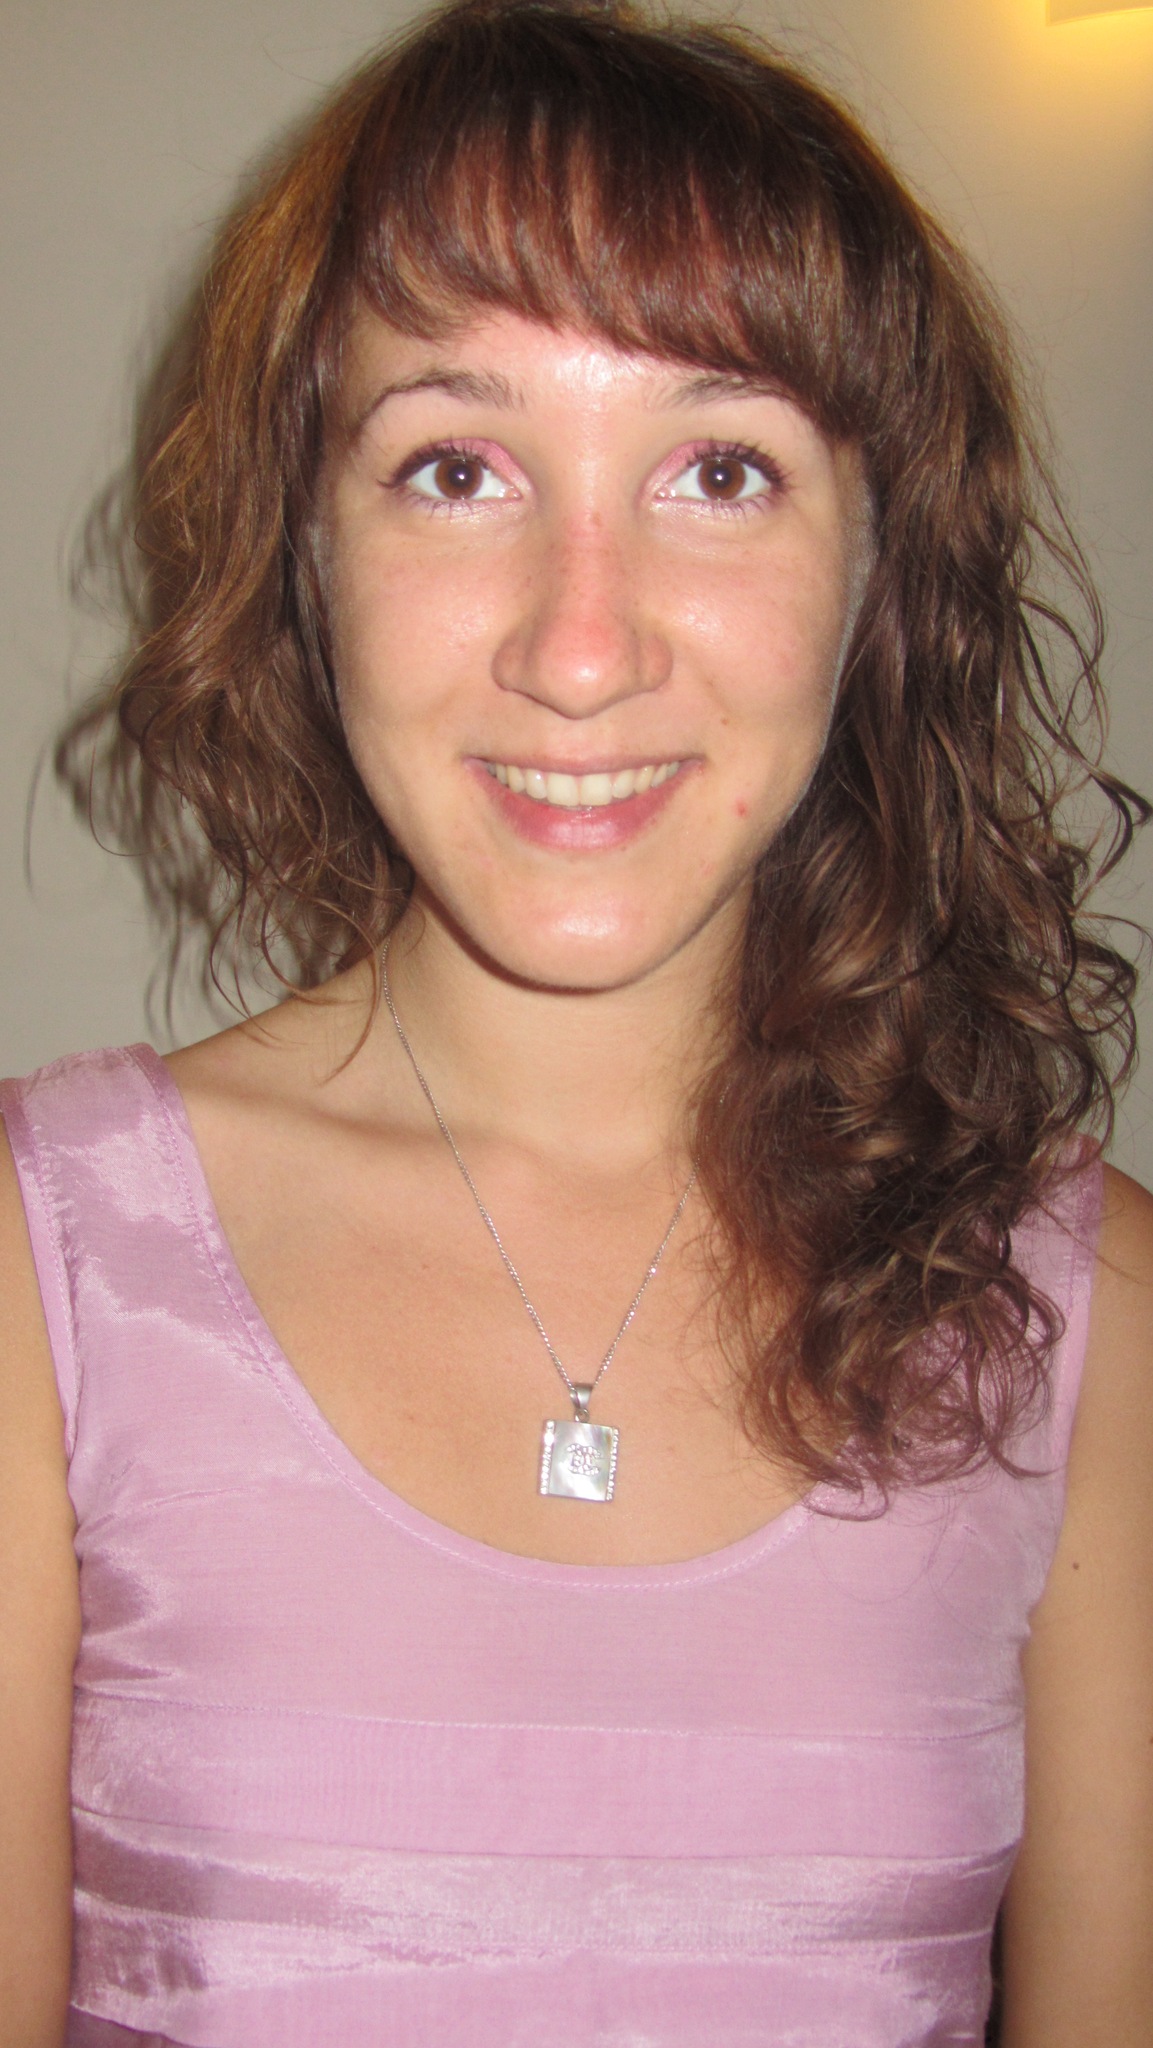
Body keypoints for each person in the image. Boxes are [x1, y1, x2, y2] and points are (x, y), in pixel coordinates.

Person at [2, 0, 1151, 2040]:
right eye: (455, 468)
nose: (582, 644)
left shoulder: (1094, 1321)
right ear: (308, 551)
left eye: (720, 469)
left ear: (875, 565)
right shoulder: (46, 1274)